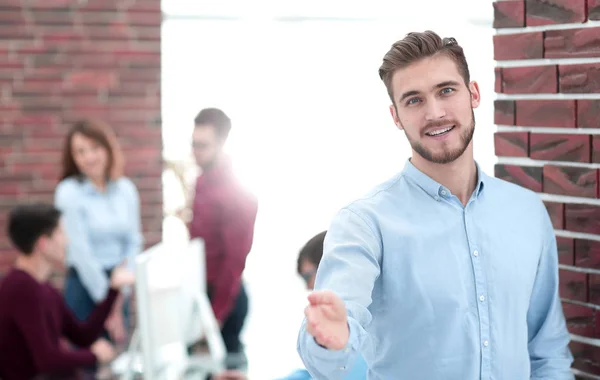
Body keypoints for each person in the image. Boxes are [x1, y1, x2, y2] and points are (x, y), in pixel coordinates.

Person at [297, 30, 574, 379]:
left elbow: (547, 352)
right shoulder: (364, 223)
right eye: (413, 100)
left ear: (473, 93)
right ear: (396, 116)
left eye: (446, 90)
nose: (435, 112)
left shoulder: (527, 213)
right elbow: (330, 346)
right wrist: (332, 341)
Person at [0, 203, 135, 380]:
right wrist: (94, 355)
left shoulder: (43, 287)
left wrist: (112, 290)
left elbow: (82, 336)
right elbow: (46, 360)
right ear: (43, 243)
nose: (67, 241)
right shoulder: (21, 288)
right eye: (61, 233)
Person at [54, 119, 143, 348]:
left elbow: (134, 240)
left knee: (117, 358)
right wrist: (108, 300)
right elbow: (79, 250)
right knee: (86, 361)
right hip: (86, 284)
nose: (89, 157)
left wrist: (123, 284)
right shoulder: (68, 192)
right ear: (72, 157)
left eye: (94, 148)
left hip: (120, 282)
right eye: (80, 152)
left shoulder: (126, 190)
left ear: (107, 148)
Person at [189, 108, 258, 367]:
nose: (195, 151)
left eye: (202, 145)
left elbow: (234, 262)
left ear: (221, 143)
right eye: (193, 144)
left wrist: (215, 317)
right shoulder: (201, 181)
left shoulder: (235, 193)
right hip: (204, 296)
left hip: (225, 301)